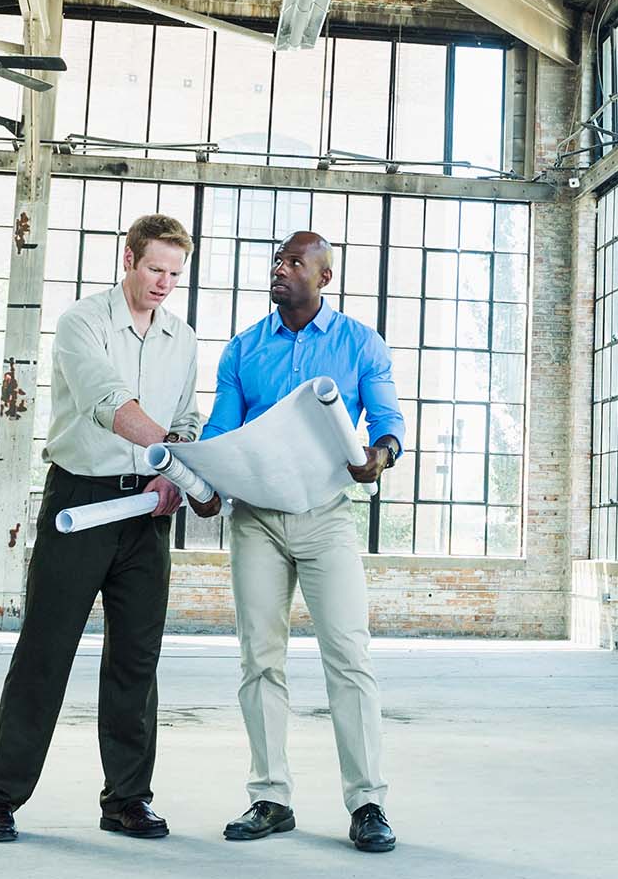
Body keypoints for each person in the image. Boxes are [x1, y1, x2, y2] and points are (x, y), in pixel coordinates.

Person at [0, 214, 202, 843]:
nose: (163, 283)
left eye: (175, 273)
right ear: (127, 258)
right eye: (155, 268)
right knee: (46, 653)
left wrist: (173, 472)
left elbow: (185, 415)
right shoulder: (82, 323)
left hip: (148, 512)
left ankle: (127, 799)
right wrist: (177, 461)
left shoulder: (181, 339)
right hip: (82, 503)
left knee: (136, 660)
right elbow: (112, 407)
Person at [201, 230, 404, 853]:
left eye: (295, 262)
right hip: (256, 519)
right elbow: (220, 429)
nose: (280, 269)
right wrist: (202, 474)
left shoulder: (359, 343)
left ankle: (367, 802)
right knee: (260, 659)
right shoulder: (243, 350)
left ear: (324, 277)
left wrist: (380, 455)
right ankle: (270, 798)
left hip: (326, 515)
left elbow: (388, 422)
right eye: (277, 260)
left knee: (348, 655)